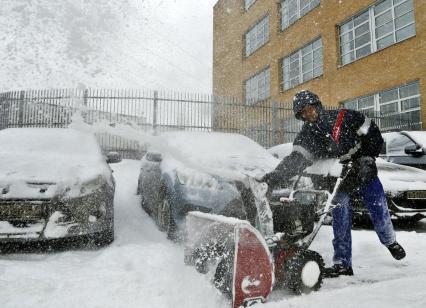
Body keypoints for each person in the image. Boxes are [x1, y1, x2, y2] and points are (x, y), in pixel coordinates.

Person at [262, 90, 406, 278]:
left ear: (317, 105)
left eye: (310, 109)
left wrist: (368, 157)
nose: (308, 114)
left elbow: (372, 132)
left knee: (379, 211)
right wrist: (274, 177)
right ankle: (342, 263)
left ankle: (390, 242)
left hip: (363, 173)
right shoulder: (307, 134)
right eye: (303, 113)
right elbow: (297, 158)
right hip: (337, 180)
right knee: (341, 219)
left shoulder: (345, 117)